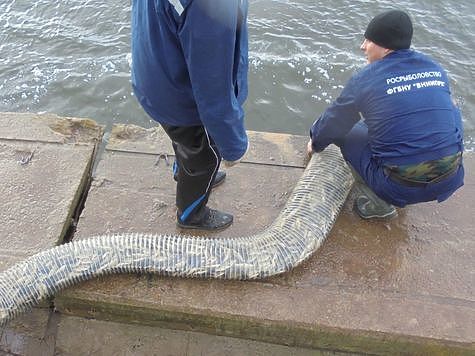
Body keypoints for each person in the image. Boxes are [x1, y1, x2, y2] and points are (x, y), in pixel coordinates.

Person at [308, 10, 464, 220]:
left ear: (385, 47)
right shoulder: (435, 69)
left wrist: (316, 142)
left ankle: (379, 205)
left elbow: (335, 121)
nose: (362, 46)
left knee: (345, 132)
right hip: (450, 177)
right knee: (449, 107)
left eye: (368, 40)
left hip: (397, 188)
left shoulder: (365, 78)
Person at [131, 0, 249, 231]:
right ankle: (191, 215)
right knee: (206, 157)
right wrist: (233, 146)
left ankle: (184, 171)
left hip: (156, 74)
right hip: (183, 99)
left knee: (185, 140)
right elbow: (213, 88)